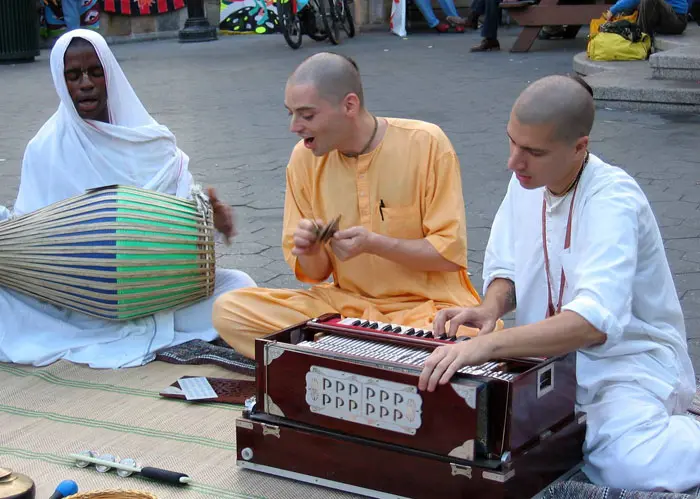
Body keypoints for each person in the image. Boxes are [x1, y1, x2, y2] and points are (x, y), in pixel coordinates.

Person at [417, 74, 700, 492]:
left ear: (579, 147)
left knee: (624, 464)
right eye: (511, 141)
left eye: (533, 151)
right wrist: (490, 309)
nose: (514, 162)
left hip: (622, 365)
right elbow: (508, 266)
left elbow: (593, 323)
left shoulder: (612, 200)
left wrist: (488, 345)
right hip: (542, 362)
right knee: (472, 430)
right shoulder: (526, 181)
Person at [0, 29, 256, 369]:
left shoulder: (148, 139)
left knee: (239, 287)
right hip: (77, 303)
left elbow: (183, 220)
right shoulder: (44, 149)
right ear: (61, 84)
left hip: (158, 291)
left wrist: (209, 223)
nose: (86, 83)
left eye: (95, 72)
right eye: (73, 76)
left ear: (110, 73)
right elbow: (30, 238)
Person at [213, 52, 485, 360]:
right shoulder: (303, 159)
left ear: (349, 105)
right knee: (230, 310)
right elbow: (315, 275)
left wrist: (374, 244)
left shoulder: (426, 143)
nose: (294, 126)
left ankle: (344, 352)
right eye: (290, 113)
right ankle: (371, 354)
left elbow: (448, 255)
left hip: (425, 310)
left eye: (307, 115)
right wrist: (311, 249)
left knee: (469, 334)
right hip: (344, 307)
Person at [605, 0, 688, 35]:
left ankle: (641, 38)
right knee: (628, 8)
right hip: (664, 19)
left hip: (677, 20)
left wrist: (613, 10)